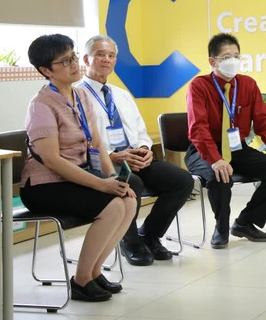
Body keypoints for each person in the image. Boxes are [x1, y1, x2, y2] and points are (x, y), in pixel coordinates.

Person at [21, 34, 136, 302]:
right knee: (114, 206)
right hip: (44, 185)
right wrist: (101, 184)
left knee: (128, 200)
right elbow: (51, 160)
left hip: (75, 175)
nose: (74, 64)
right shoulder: (41, 104)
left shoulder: (81, 95)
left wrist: (112, 179)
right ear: (46, 70)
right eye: (65, 61)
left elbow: (96, 142)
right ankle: (81, 280)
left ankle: (94, 272)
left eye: (73, 57)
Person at [79, 35, 194, 265]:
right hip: (105, 163)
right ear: (86, 59)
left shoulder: (121, 94)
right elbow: (78, 140)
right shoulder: (76, 95)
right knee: (132, 183)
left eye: (111, 56)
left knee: (182, 180)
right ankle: (129, 241)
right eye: (100, 54)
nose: (106, 60)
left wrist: (144, 148)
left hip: (134, 158)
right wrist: (112, 156)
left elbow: (140, 130)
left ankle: (149, 235)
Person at [185, 33, 266, 248]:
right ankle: (221, 228)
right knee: (220, 176)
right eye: (226, 57)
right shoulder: (199, 86)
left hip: (237, 148)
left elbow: (264, 120)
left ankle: (245, 222)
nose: (233, 61)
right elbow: (198, 128)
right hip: (204, 150)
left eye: (236, 55)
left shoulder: (247, 84)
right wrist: (215, 159)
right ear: (212, 61)